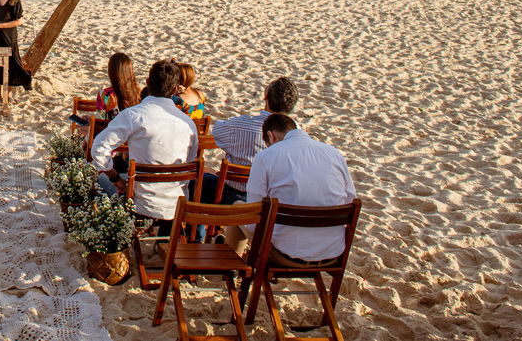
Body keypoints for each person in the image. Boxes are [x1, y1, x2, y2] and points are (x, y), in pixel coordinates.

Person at [229, 113, 356, 262]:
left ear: (271, 136)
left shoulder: (265, 157)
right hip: (332, 253)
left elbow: (253, 215)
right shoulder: (334, 154)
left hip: (286, 254)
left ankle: (232, 268)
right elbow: (350, 200)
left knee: (238, 209)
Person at [90, 59, 199, 222]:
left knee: (102, 180)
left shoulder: (133, 115)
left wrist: (115, 179)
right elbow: (189, 165)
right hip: (176, 205)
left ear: (148, 83)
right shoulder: (188, 124)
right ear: (175, 89)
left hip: (140, 203)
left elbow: (98, 149)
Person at [201, 76, 298, 205]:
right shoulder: (297, 133)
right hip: (272, 200)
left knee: (195, 183)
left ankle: (196, 224)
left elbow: (217, 131)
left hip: (233, 195)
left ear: (266, 96)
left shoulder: (239, 126)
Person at [96, 52, 142, 120]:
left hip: (112, 130)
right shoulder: (139, 93)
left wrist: (92, 121)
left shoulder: (104, 95)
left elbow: (100, 123)